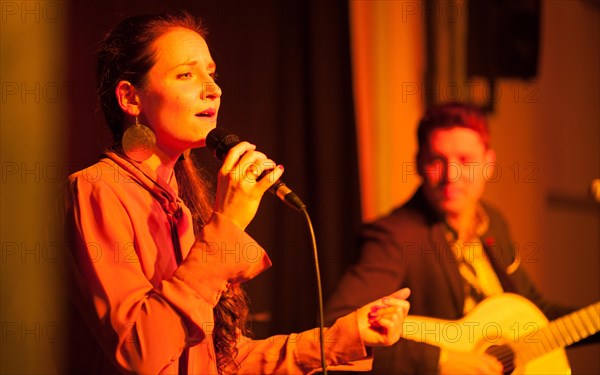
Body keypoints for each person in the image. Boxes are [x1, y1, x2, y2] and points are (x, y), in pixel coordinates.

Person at [63, 12, 411, 375]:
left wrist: (343, 337)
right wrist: (226, 224)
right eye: (186, 74)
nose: (213, 88)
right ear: (130, 98)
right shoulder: (96, 191)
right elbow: (141, 353)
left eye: (210, 73)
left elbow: (223, 361)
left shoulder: (182, 206)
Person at [324, 102, 594, 374]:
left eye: (465, 161)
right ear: (419, 163)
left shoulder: (493, 223)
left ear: (489, 164)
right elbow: (334, 331)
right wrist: (441, 360)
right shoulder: (393, 237)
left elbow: (536, 314)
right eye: (436, 161)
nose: (452, 176)